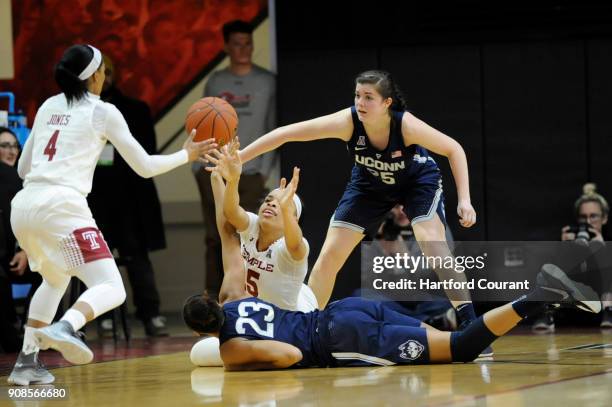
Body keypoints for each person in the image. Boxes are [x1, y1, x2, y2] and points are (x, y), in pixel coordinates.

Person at [182, 180, 601, 369]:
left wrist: (243, 364)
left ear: (204, 333)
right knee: (452, 343)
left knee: (460, 351)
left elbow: (289, 356)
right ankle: (534, 296)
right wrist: (224, 181)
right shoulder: (236, 296)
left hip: (339, 340)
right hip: (344, 313)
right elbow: (227, 231)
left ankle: (540, 294)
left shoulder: (231, 346)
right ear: (213, 299)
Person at [7, 44, 216, 386]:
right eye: (103, 69)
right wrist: (186, 154)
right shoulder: (103, 111)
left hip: (25, 206)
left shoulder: (47, 106)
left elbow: (22, 168)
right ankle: (67, 326)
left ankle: (27, 363)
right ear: (94, 75)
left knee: (55, 279)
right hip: (62, 206)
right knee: (111, 287)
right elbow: (145, 167)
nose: (106, 74)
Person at [237, 70, 481, 328]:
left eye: (368, 97)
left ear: (387, 103)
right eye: (357, 96)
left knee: (433, 246)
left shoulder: (405, 125)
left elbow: (454, 148)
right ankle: (307, 327)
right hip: (369, 185)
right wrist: (239, 158)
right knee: (329, 256)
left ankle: (470, 324)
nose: (360, 103)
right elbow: (286, 133)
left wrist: (464, 200)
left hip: (416, 182)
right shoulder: (348, 122)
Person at [190, 142, 317, 367]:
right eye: (269, 199)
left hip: (293, 317)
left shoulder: (291, 247)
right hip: (260, 313)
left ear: (291, 218)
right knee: (199, 353)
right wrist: (226, 178)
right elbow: (229, 215)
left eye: (283, 205)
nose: (271, 204)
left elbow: (296, 244)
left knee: (326, 266)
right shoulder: (254, 226)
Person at [192, 19, 276, 295]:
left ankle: (247, 296)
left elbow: (273, 126)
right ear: (227, 46)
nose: (243, 49)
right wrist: (198, 165)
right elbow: (201, 125)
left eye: (248, 43)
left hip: (251, 173)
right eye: (237, 44)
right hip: (215, 169)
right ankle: (212, 300)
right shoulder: (217, 81)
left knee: (248, 235)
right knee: (215, 237)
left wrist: (264, 169)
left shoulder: (266, 82)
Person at [88, 55, 169, 337]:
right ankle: (104, 319)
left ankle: (151, 315)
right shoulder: (83, 111)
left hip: (131, 197)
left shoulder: (135, 109)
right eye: (100, 72)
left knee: (137, 257)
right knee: (99, 260)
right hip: (94, 196)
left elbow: (148, 150)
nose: (104, 77)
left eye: (108, 71)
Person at [533, 183, 612, 332]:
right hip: (574, 309)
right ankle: (548, 314)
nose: (588, 222)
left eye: (593, 216)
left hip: (603, 310)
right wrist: (565, 248)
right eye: (583, 217)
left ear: (604, 218)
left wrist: (601, 250)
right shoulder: (571, 244)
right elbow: (550, 273)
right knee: (548, 272)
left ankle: (610, 312)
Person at [0, 127, 40, 353]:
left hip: (23, 255)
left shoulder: (26, 181)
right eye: (4, 145)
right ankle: (12, 333)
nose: (11, 151)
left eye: (14, 145)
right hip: (3, 258)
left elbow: (34, 225)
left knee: (52, 272)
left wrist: (26, 250)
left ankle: (36, 328)